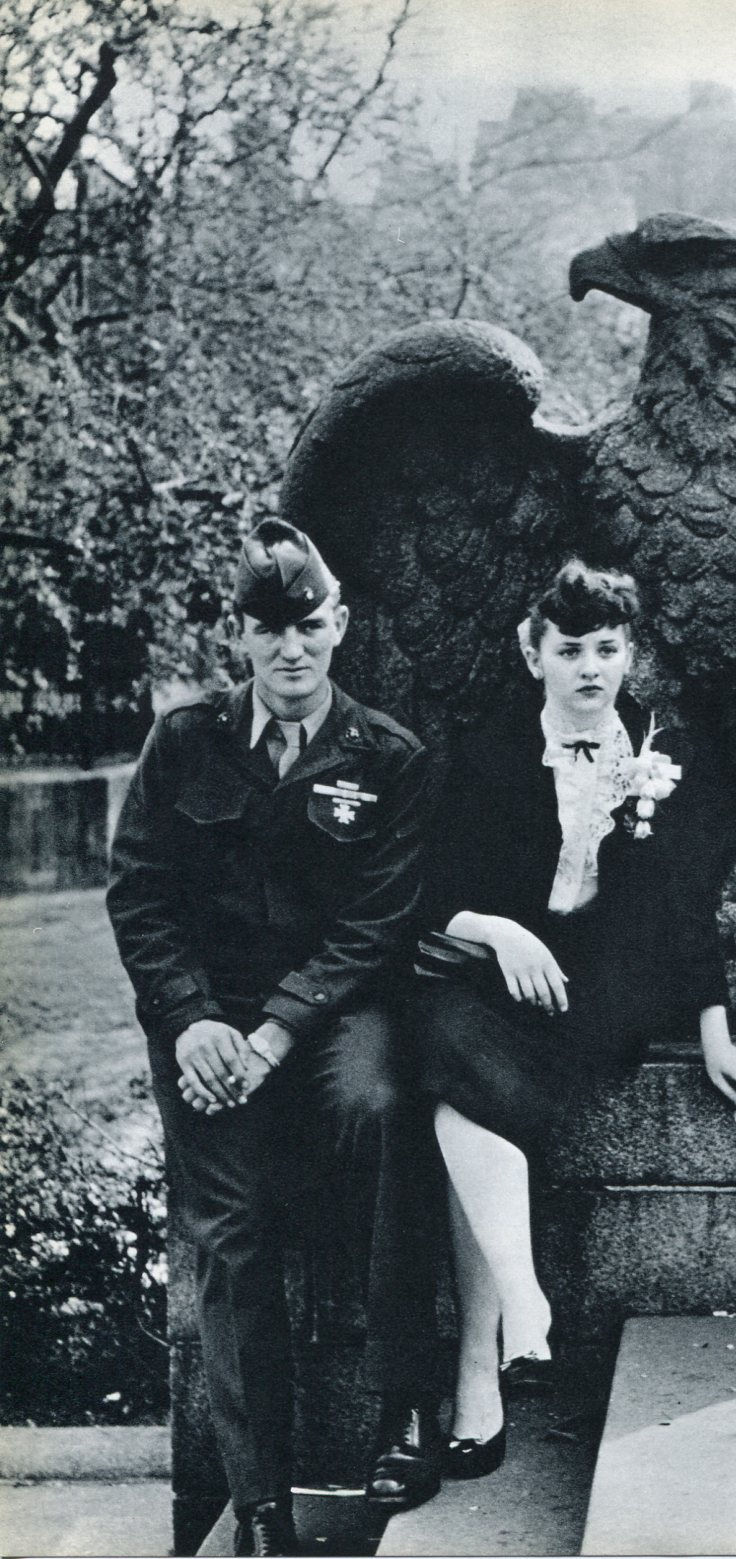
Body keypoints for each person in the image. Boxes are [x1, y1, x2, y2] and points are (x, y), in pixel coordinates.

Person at [107, 520, 443, 1557]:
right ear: (241, 637)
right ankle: (261, 1509)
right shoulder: (185, 741)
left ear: (339, 625)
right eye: (269, 629)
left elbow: (374, 924)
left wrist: (276, 1032)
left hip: (333, 1019)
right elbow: (141, 894)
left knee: (385, 1114)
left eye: (308, 626)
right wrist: (194, 1019)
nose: (290, 649)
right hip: (205, 1028)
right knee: (231, 1229)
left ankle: (405, 1406)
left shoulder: (387, 756)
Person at [414, 559, 736, 1477]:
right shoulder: (489, 751)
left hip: (600, 990)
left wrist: (716, 1030)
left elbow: (687, 908)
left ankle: (481, 1378)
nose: (590, 669)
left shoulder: (657, 750)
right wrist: (499, 934)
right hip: (493, 981)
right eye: (568, 650)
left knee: (462, 1106)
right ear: (534, 656)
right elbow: (430, 887)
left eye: (607, 648)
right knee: (449, 1051)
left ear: (629, 653)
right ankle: (518, 1313)